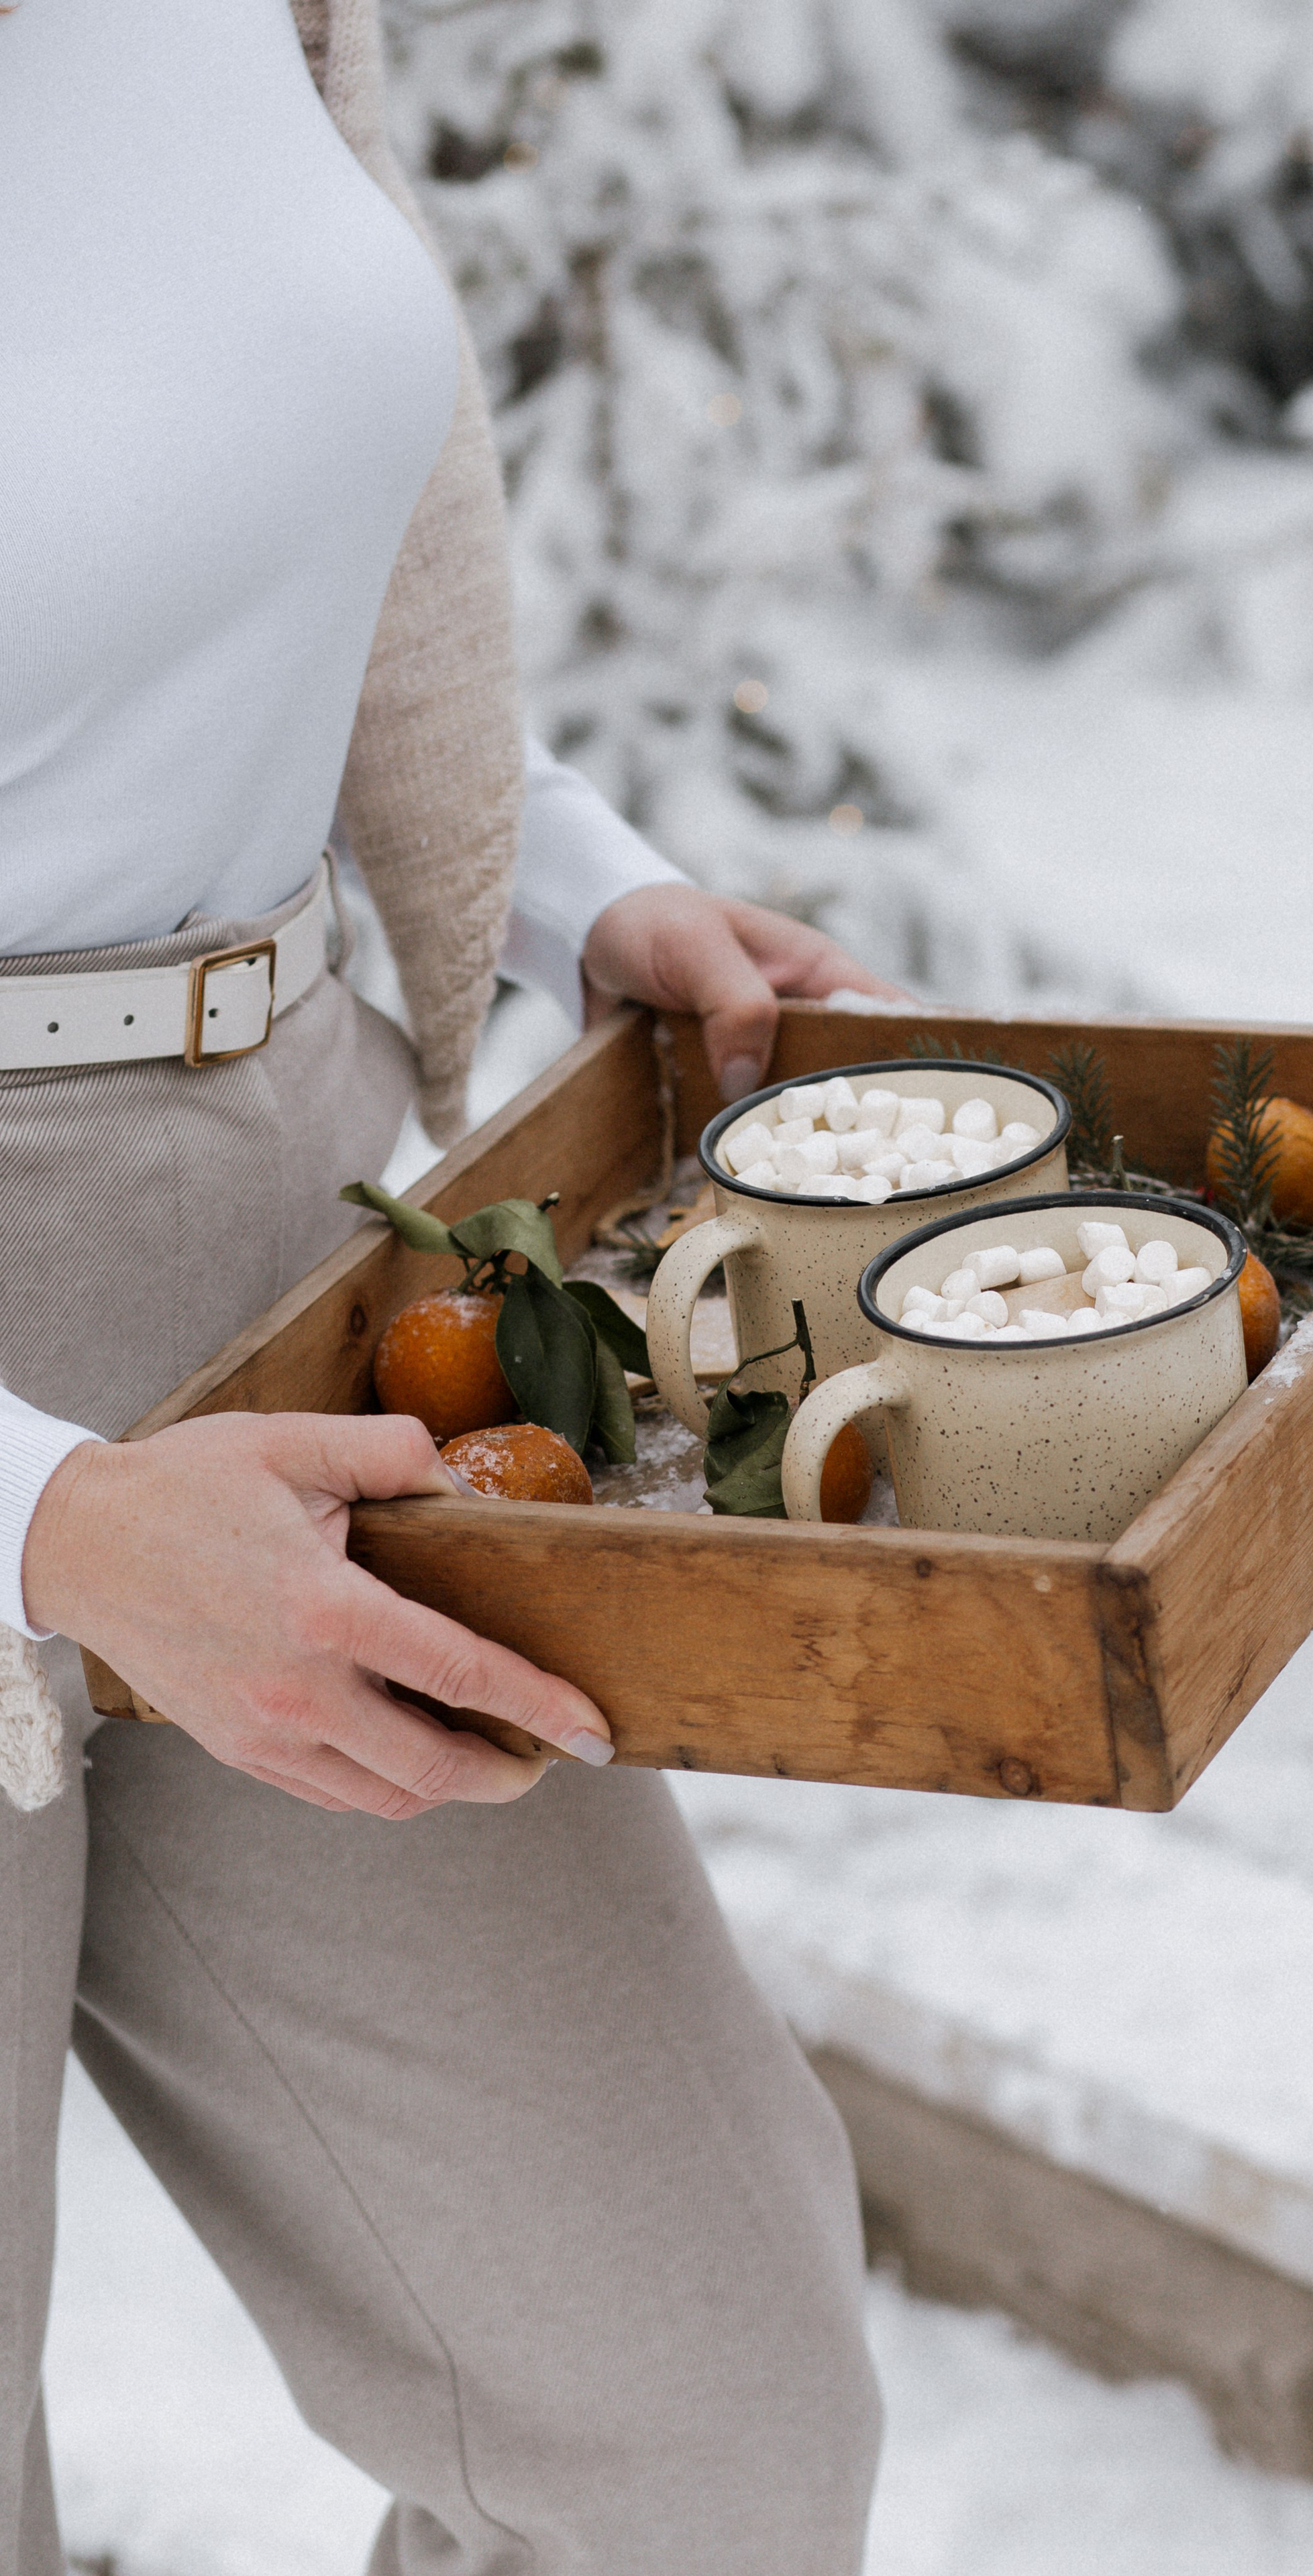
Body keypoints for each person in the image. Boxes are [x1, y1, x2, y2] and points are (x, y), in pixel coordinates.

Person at [0, 0, 892, 2564]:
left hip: (270, 1246)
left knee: (700, 2428)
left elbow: (254, 477)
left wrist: (569, 870)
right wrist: (51, 1518)